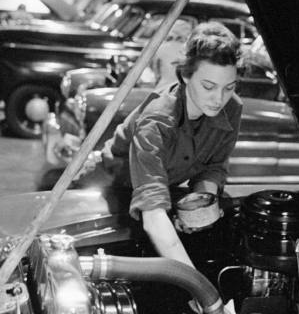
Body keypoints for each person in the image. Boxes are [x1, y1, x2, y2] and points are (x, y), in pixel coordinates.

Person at [88, 21, 242, 268]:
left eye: (229, 87)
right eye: (208, 86)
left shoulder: (232, 108)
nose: (219, 98)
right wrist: (199, 287)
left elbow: (213, 167)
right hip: (105, 189)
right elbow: (152, 214)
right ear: (185, 75)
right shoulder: (157, 119)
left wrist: (197, 209)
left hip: (159, 190)